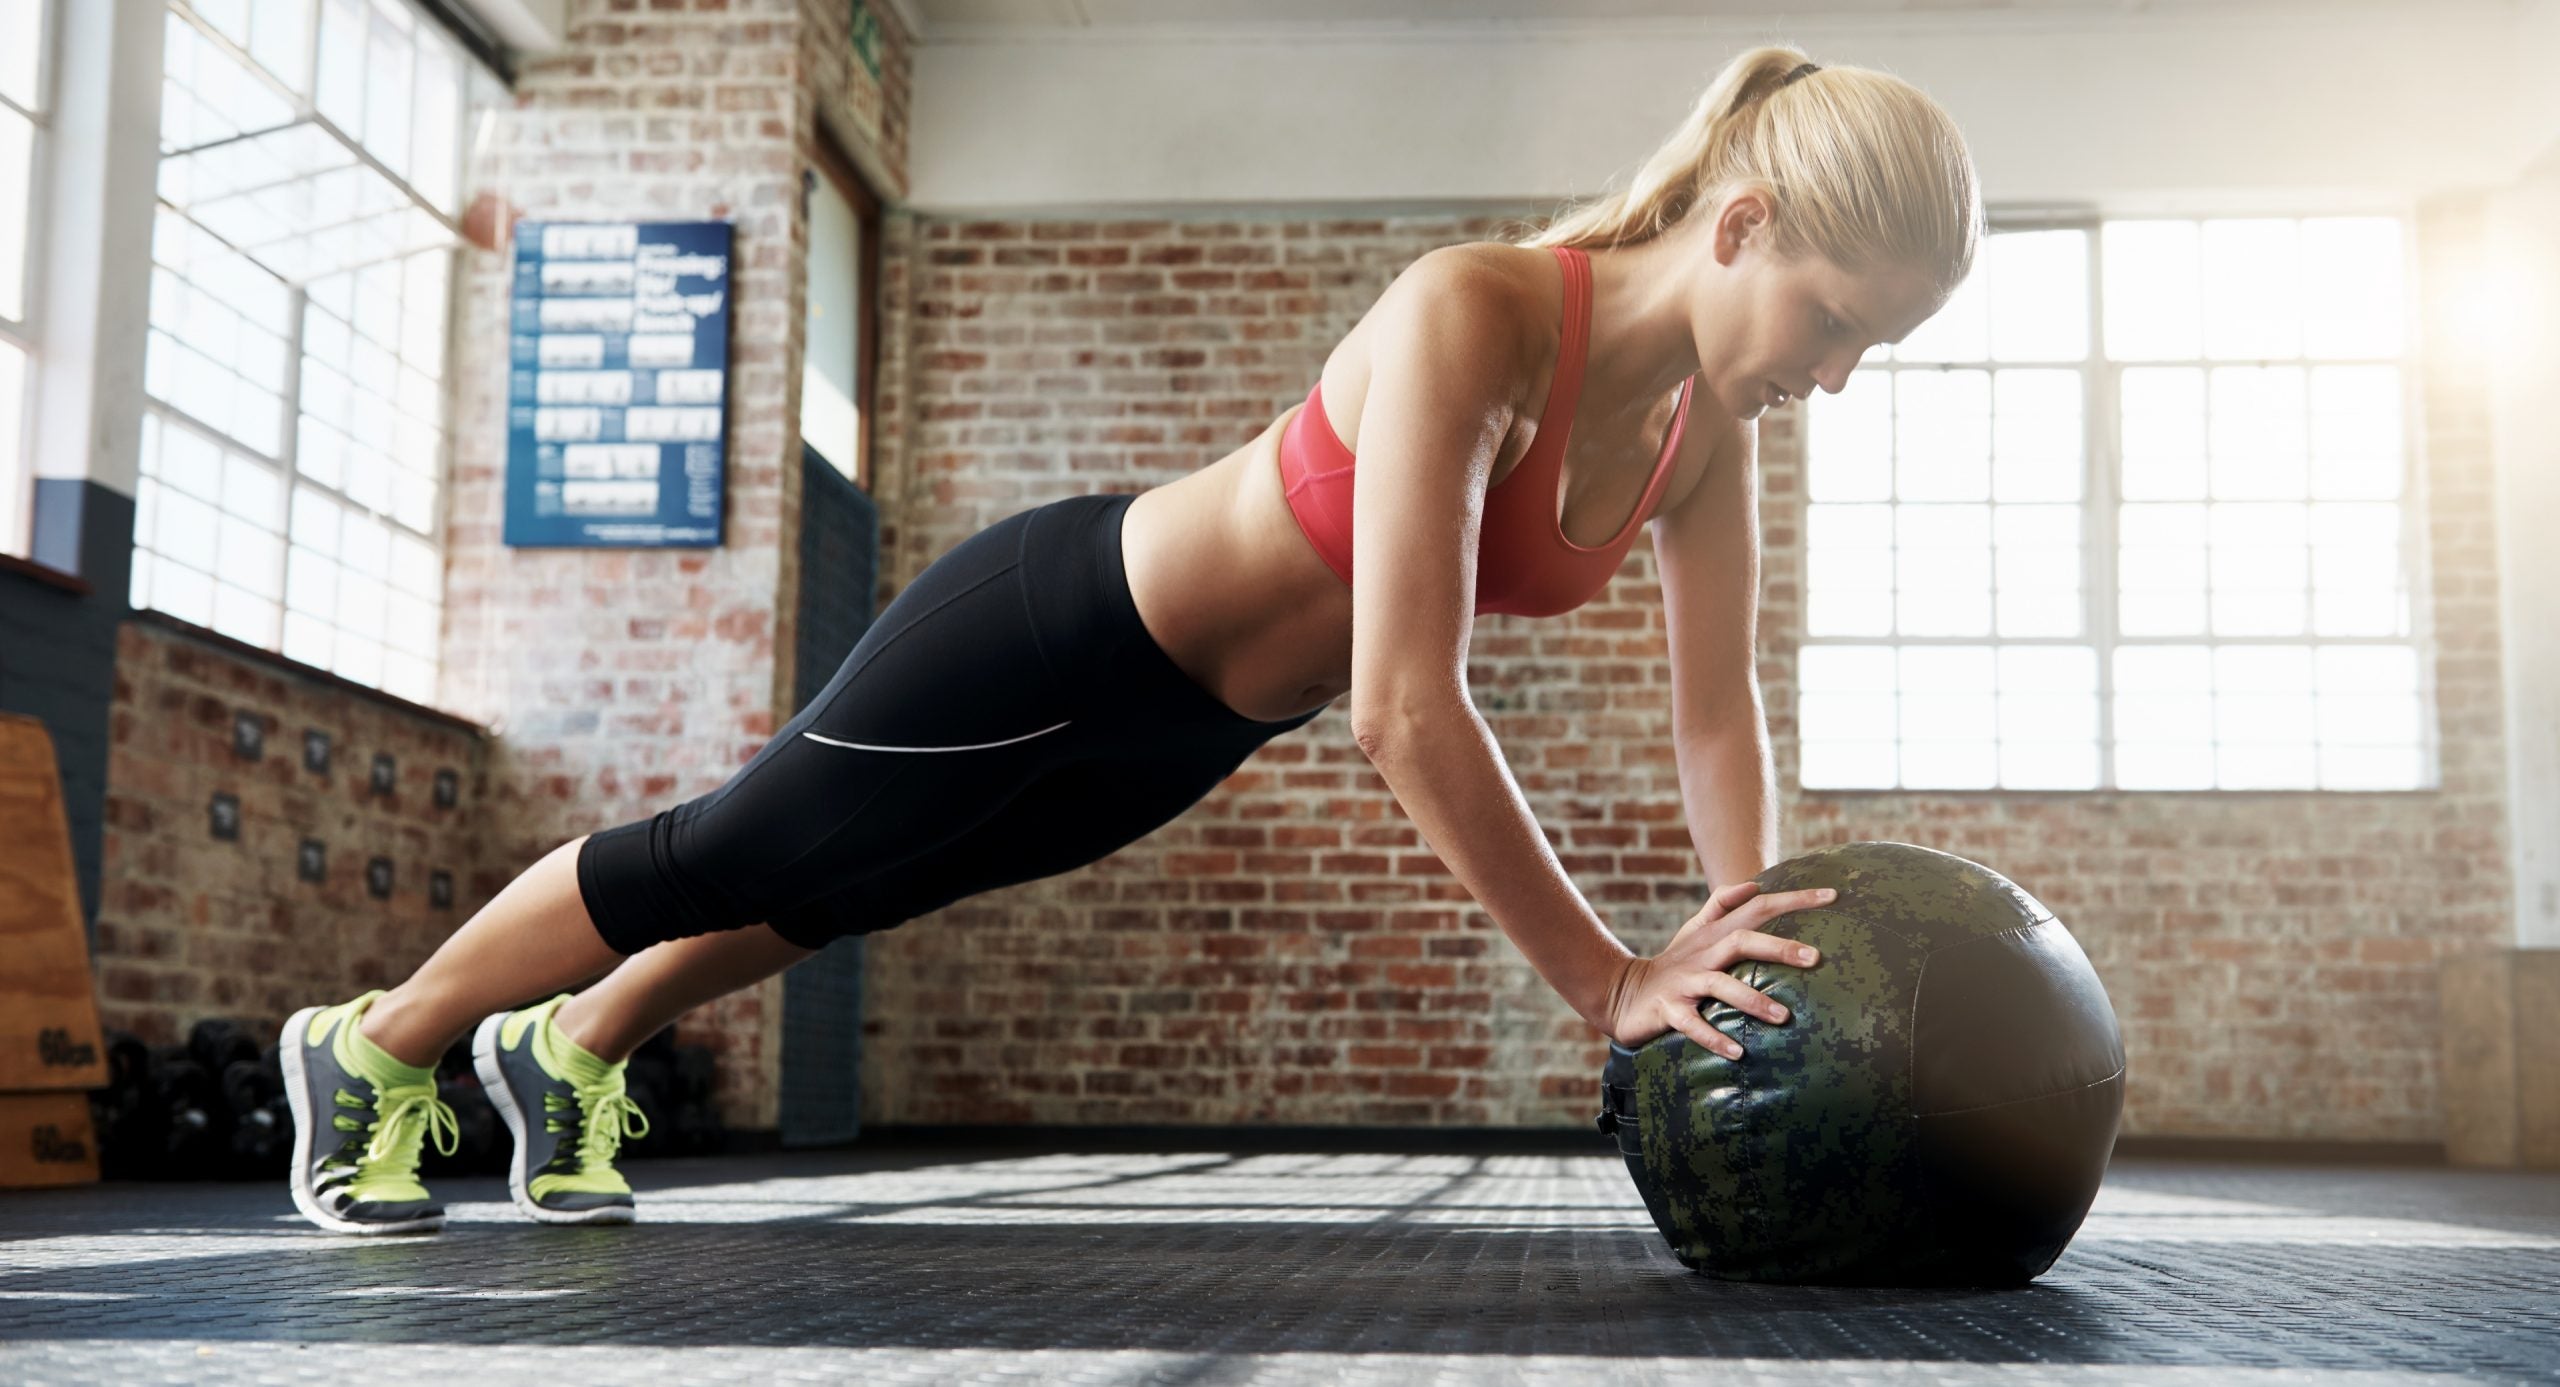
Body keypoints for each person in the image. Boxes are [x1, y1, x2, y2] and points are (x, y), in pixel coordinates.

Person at [279, 45, 1979, 1235]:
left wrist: (1757, 946)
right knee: (730, 849)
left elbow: (1715, 712)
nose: (1834, 376)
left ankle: (572, 1045)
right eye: (1833, 321)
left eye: (1870, 351)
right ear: (1743, 225)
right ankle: (378, 1044)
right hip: (1061, 625)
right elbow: (1404, 705)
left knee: (849, 886)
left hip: (1193, 725)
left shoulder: (1706, 436)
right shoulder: (1483, 310)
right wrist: (1611, 981)